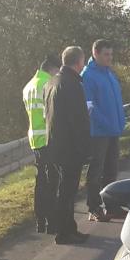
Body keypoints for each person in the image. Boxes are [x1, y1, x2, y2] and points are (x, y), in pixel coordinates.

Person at [44, 46, 92, 245]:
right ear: (79, 62)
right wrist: (85, 148)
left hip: (55, 144)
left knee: (65, 189)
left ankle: (68, 228)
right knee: (67, 191)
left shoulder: (51, 82)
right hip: (70, 146)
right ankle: (64, 232)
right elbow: (78, 120)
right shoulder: (72, 84)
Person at [80, 38, 127, 221]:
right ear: (95, 53)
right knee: (96, 171)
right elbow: (89, 107)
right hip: (98, 133)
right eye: (106, 54)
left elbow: (115, 102)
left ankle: (111, 206)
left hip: (113, 130)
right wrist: (106, 123)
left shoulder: (109, 74)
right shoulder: (88, 76)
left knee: (111, 169)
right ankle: (93, 207)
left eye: (111, 54)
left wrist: (119, 122)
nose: (110, 58)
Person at [22, 53, 61, 233]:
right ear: (53, 69)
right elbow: (51, 115)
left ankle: (40, 219)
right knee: (52, 181)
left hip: (35, 139)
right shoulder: (48, 84)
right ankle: (52, 221)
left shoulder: (29, 86)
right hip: (48, 138)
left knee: (40, 181)